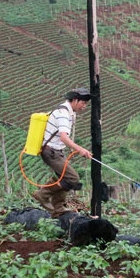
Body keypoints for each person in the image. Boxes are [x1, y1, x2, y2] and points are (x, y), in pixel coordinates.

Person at [32, 87, 93, 218]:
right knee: (73, 178)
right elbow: (64, 137)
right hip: (51, 151)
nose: (84, 106)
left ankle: (58, 208)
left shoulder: (68, 111)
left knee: (64, 177)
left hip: (56, 150)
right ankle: (43, 194)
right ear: (75, 100)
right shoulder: (63, 114)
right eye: (83, 103)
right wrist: (80, 149)